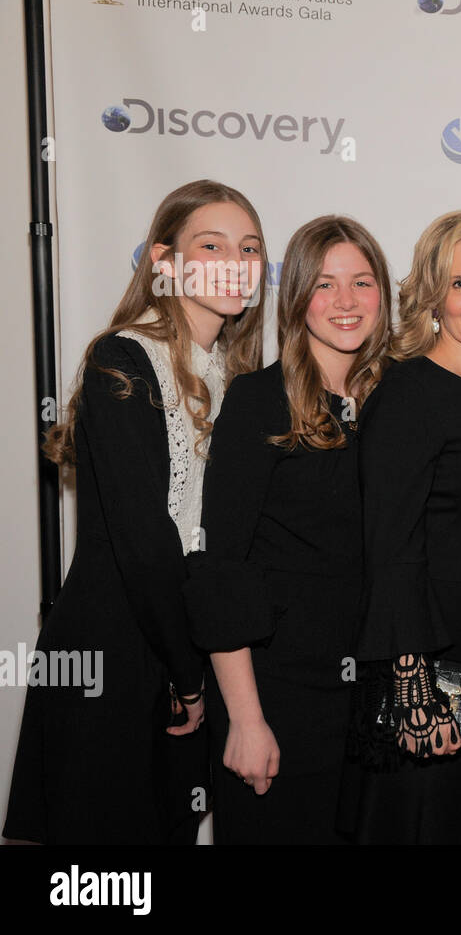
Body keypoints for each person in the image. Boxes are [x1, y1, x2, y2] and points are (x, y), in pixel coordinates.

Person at [4, 179, 267, 844]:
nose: (234, 261)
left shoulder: (240, 380)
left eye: (249, 248)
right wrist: (187, 674)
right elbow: (147, 542)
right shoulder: (120, 359)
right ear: (163, 260)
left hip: (186, 654)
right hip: (115, 656)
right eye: (211, 245)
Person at [185, 215, 393, 843]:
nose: (346, 301)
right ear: (297, 296)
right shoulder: (257, 401)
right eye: (325, 284)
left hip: (370, 708)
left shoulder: (396, 404)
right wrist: (246, 720)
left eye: (362, 282)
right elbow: (221, 570)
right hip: (277, 698)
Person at [339, 210, 461, 844]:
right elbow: (390, 549)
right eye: (460, 284)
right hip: (439, 675)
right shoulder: (408, 394)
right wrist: (411, 684)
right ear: (432, 297)